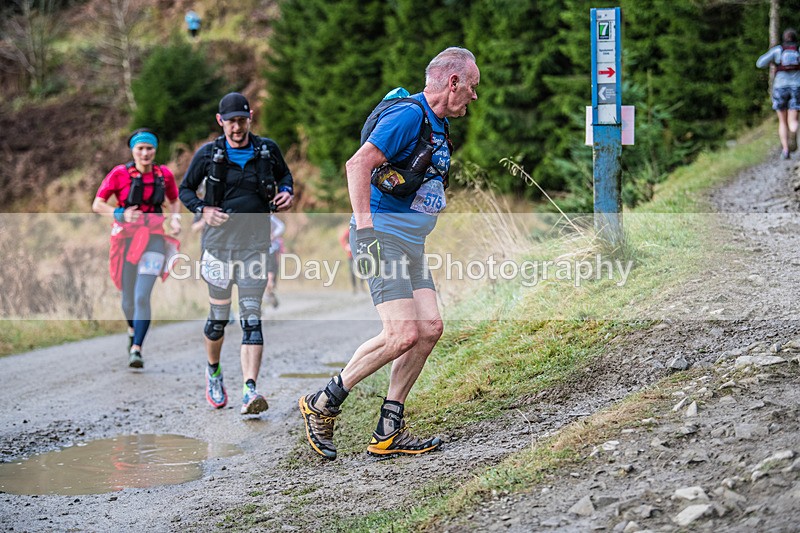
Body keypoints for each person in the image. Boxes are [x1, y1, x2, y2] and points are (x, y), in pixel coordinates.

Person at [299, 47, 479, 459]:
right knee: (401, 333)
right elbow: (357, 165)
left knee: (429, 327)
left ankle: (388, 429)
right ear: (453, 82)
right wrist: (366, 230)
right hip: (381, 237)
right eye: (472, 87)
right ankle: (322, 402)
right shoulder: (409, 115)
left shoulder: (437, 123)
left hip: (410, 243)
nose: (473, 96)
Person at [179, 92, 294, 415]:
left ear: (250, 118)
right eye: (230, 122)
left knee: (251, 320)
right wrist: (203, 210)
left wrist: (286, 192)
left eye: (242, 120)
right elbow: (184, 189)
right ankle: (213, 371)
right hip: (217, 248)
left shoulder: (267, 150)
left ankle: (249, 390)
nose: (237, 127)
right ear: (221, 122)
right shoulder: (208, 154)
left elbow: (285, 177)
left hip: (256, 247)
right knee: (218, 321)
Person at [92, 128, 182, 369]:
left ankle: (136, 349)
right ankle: (132, 329)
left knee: (142, 295)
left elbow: (174, 200)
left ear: (155, 150)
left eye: (149, 148)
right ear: (133, 150)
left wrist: (175, 219)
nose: (145, 153)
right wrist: (119, 213)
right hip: (126, 241)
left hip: (154, 239)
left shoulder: (164, 175)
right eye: (140, 148)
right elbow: (97, 203)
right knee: (127, 299)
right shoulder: (119, 174)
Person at [757, 28, 800, 159]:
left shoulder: (777, 50)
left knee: (782, 121)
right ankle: (794, 131)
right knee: (793, 119)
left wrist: (773, 62)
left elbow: (760, 63)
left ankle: (786, 150)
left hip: (780, 87)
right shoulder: (798, 50)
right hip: (797, 87)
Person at [265, 214, 285, 309]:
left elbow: (281, 226)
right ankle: (268, 293)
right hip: (262, 251)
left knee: (271, 274)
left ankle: (268, 292)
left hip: (270, 250)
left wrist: (273, 235)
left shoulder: (270, 217)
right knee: (270, 275)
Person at [338, 224, 360, 293]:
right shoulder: (349, 231)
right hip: (351, 255)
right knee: (352, 271)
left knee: (362, 270)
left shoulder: (360, 231)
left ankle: (362, 285)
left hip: (360, 254)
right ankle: (354, 287)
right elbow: (342, 239)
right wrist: (346, 246)